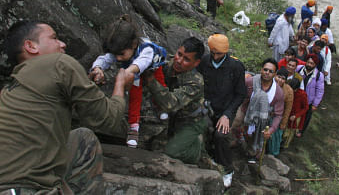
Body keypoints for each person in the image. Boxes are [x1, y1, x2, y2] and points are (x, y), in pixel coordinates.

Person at [0, 21, 133, 194]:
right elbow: (107, 119)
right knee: (86, 140)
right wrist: (120, 86)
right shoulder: (59, 63)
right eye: (54, 38)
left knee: (80, 138)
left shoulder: (9, 91)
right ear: (31, 46)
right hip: (27, 190)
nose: (63, 44)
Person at [89, 15, 168, 149]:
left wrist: (127, 72)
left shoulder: (147, 49)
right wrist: (98, 68)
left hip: (151, 67)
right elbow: (105, 58)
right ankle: (134, 127)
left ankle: (160, 107)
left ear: (133, 44)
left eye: (121, 54)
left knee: (159, 87)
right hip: (133, 71)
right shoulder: (120, 49)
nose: (118, 58)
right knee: (134, 96)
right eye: (116, 55)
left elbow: (142, 63)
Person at [142, 37, 206, 165]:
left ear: (196, 63)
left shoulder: (196, 82)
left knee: (171, 153)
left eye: (186, 59)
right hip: (170, 118)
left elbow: (170, 104)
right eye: (179, 54)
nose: (179, 61)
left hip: (190, 122)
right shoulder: (167, 64)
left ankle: (197, 149)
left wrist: (150, 81)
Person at [197, 34, 246, 188]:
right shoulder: (205, 61)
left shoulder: (236, 67)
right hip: (207, 106)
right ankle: (207, 157)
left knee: (221, 135)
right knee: (200, 129)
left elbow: (240, 94)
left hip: (226, 109)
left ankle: (227, 169)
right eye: (213, 53)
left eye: (219, 54)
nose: (216, 57)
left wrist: (227, 114)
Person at [243, 58, 284, 163]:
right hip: (246, 114)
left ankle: (254, 154)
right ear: (261, 70)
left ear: (275, 74)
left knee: (257, 140)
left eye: (271, 71)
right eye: (265, 70)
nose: (267, 73)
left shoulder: (277, 93)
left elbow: (278, 114)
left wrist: (271, 129)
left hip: (264, 120)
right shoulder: (250, 82)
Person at [296, 54, 324, 136]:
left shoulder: (319, 75)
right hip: (297, 97)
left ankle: (301, 131)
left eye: (312, 63)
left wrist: (315, 104)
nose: (309, 65)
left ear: (315, 65)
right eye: (308, 62)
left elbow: (320, 91)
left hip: (309, 100)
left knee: (306, 116)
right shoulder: (299, 69)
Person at [267, 68, 293, 156]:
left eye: (283, 78)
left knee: (274, 138)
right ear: (275, 76)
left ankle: (272, 154)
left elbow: (288, 109)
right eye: (279, 77)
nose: (280, 80)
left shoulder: (288, 91)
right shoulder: (268, 84)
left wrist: (283, 123)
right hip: (264, 115)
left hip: (277, 118)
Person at [282, 78, 309, 147]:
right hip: (286, 114)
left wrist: (296, 116)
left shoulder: (302, 94)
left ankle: (285, 146)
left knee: (289, 133)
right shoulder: (286, 90)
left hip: (294, 117)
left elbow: (306, 107)